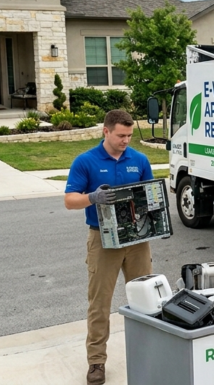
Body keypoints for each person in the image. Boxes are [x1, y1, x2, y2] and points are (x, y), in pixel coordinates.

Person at [64, 110, 153, 385]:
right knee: (100, 304)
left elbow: (150, 195)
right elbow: (70, 200)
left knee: (146, 300)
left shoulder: (139, 160)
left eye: (129, 135)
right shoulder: (86, 161)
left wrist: (153, 217)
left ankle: (149, 355)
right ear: (106, 131)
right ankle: (96, 363)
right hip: (102, 241)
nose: (126, 140)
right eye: (120, 136)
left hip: (137, 240)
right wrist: (93, 197)